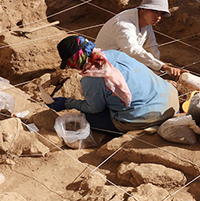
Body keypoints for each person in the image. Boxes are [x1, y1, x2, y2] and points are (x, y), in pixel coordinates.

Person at [48, 35, 180, 133]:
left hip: (148, 116)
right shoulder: (114, 54)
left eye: (70, 64)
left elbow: (95, 109)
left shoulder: (91, 78)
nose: (71, 67)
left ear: (74, 60)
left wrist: (68, 103)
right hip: (171, 101)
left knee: (86, 118)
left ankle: (139, 126)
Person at [95, 0, 186, 78]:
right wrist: (163, 67)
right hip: (103, 66)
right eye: (155, 11)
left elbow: (151, 47)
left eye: (161, 13)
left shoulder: (146, 22)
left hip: (122, 62)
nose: (158, 17)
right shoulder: (124, 24)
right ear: (143, 8)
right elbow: (133, 50)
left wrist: (158, 72)